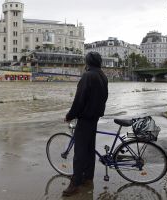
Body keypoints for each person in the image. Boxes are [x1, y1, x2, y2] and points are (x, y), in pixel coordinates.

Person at [62, 52, 108, 197]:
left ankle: (75, 183)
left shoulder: (88, 76)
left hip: (85, 118)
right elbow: (105, 96)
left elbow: (79, 99)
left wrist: (70, 115)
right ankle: (88, 178)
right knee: (89, 150)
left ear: (87, 63)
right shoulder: (102, 75)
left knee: (80, 152)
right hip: (94, 117)